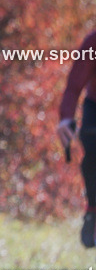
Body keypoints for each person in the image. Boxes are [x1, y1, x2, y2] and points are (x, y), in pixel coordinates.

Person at [57, 29, 96, 247]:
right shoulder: (94, 42)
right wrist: (66, 118)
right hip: (95, 107)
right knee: (92, 152)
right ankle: (93, 210)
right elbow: (73, 87)